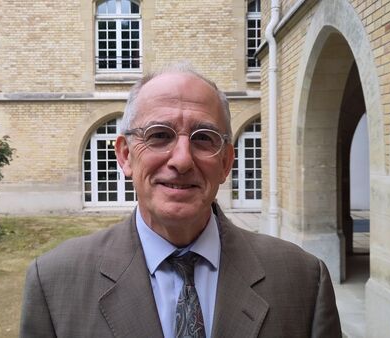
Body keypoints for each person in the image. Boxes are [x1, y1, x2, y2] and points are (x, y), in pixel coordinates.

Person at [19, 64, 342, 338]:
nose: (182, 160)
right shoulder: (54, 281)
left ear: (227, 162)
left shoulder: (302, 279)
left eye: (204, 138)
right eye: (159, 135)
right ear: (125, 155)